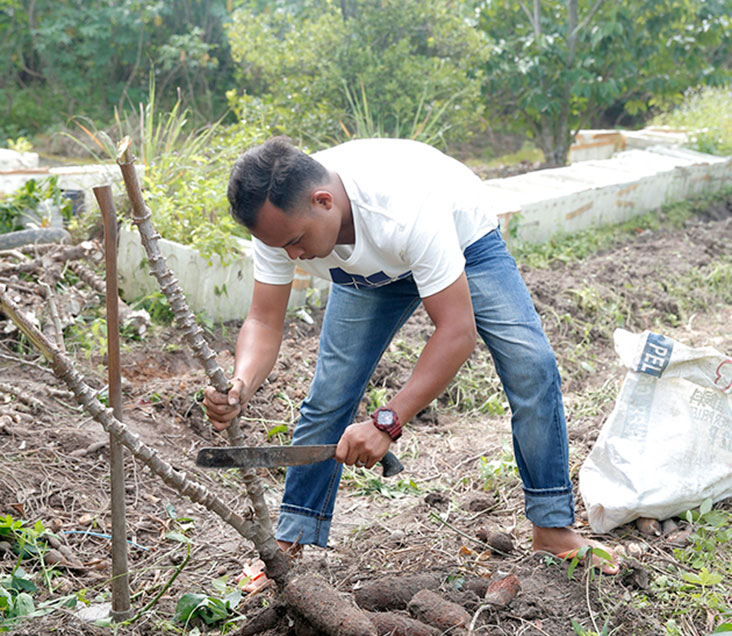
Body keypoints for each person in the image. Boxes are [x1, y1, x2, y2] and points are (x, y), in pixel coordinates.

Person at [203, 136, 619, 582]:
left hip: (461, 243)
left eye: (296, 242)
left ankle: (553, 530)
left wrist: (387, 420)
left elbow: (457, 332)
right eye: (281, 246)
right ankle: (290, 541)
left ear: (323, 201)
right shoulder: (279, 220)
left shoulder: (402, 207)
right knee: (329, 396)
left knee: (531, 366)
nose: (293, 256)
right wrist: (242, 383)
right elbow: (264, 322)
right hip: (369, 272)